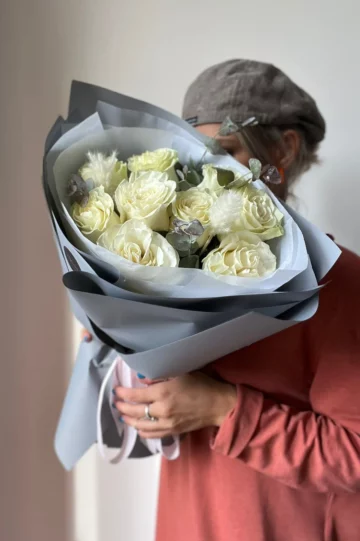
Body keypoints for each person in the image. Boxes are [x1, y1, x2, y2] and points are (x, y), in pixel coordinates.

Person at [88, 60, 360, 541]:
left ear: (283, 149)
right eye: (191, 157)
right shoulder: (174, 271)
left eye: (225, 153)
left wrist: (222, 408)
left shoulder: (341, 281)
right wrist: (118, 347)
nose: (205, 175)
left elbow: (354, 454)